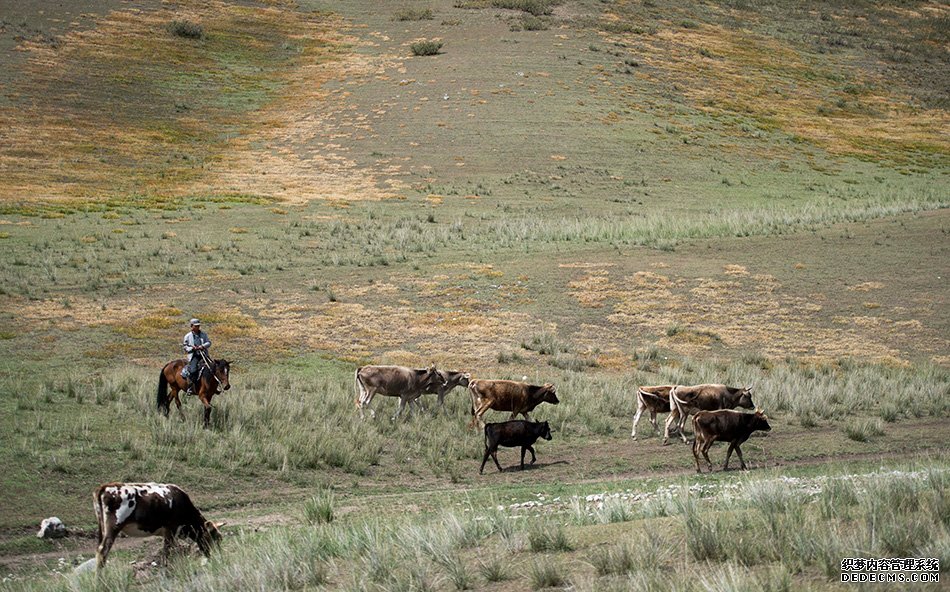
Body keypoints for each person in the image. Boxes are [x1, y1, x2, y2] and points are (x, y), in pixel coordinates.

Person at [181, 318, 211, 394]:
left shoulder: (204, 334)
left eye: (198, 326)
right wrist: (192, 348)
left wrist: (203, 346)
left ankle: (213, 387)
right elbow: (185, 347)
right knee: (193, 370)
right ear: (192, 326)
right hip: (194, 356)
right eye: (196, 326)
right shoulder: (187, 336)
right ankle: (190, 387)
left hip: (203, 354)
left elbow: (209, 342)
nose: (198, 327)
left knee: (212, 367)